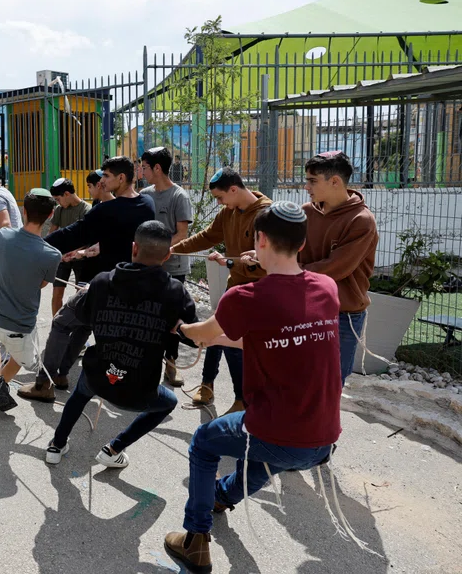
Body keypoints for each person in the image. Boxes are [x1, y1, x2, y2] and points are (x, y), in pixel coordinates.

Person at [164, 202, 342, 573]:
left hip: (280, 434)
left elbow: (203, 334)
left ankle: (196, 538)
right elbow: (272, 338)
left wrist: (180, 329)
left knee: (204, 442)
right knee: (263, 452)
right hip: (322, 440)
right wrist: (222, 340)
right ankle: (221, 496)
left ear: (259, 240)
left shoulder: (245, 298)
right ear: (302, 242)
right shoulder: (326, 288)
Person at [46, 221, 196, 466]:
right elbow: (193, 337)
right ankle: (114, 448)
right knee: (169, 403)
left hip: (100, 376)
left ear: (134, 248)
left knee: (81, 391)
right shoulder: (174, 291)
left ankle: (57, 444)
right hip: (139, 390)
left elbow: (83, 317)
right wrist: (178, 327)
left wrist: (92, 296)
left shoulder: (102, 282)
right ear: (168, 255)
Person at [18, 157, 155, 403]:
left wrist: (34, 242)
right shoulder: (147, 204)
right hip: (133, 285)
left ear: (121, 178)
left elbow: (73, 234)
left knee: (61, 323)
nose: (102, 181)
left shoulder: (106, 211)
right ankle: (60, 375)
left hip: (105, 284)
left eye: (107, 177)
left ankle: (44, 382)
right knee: (82, 324)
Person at [170, 167, 270, 415]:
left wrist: (244, 261)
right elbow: (207, 237)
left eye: (220, 197)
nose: (219, 203)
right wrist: (173, 250)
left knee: (233, 343)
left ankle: (241, 399)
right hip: (234, 287)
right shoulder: (229, 212)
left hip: (257, 292)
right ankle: (207, 385)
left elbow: (271, 260)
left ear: (234, 189)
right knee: (215, 333)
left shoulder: (267, 215)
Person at [0, 189, 61, 412]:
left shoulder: (4, 236)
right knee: (20, 358)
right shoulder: (52, 254)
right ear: (51, 214)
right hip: (21, 321)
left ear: (24, 211)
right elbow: (41, 284)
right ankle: (0, 384)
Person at [298, 151, 377, 384]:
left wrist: (289, 272)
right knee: (301, 379)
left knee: (330, 385)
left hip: (343, 315)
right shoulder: (305, 212)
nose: (306, 186)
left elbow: (335, 268)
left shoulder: (361, 220)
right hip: (305, 307)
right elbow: (286, 249)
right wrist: (264, 256)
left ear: (335, 182)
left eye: (312, 181)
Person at [139, 146, 193, 388]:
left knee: (172, 317)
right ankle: (146, 363)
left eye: (145, 167)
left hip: (173, 266)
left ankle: (171, 365)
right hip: (149, 266)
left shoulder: (179, 196)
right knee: (147, 314)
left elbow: (182, 233)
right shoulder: (145, 194)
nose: (141, 171)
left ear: (157, 168)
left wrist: (161, 251)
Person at [46, 178, 91, 316]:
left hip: (81, 258)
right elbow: (52, 233)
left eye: (58, 199)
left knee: (80, 296)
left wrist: (74, 253)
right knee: (57, 294)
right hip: (61, 258)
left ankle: (76, 328)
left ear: (66, 194)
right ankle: (56, 325)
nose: (58, 203)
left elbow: (89, 239)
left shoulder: (86, 209)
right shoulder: (60, 210)